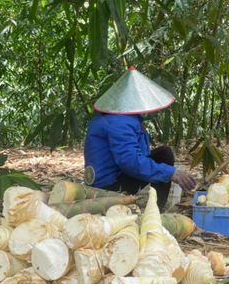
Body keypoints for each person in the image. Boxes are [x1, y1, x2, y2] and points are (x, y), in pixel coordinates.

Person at [83, 67, 197, 211]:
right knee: (165, 156)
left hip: (105, 179)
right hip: (108, 187)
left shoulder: (113, 118)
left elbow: (139, 155)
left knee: (162, 155)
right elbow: (129, 161)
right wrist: (170, 172)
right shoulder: (120, 122)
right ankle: (156, 211)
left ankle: (154, 207)